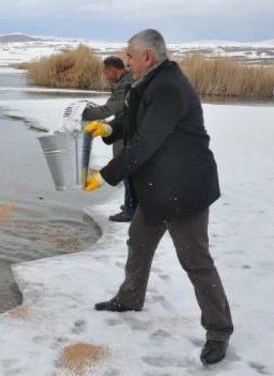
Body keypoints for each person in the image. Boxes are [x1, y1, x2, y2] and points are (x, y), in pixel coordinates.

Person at [83, 29, 233, 365]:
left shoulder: (168, 88)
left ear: (148, 57)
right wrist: (110, 128)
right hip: (158, 188)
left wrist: (106, 175)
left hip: (185, 188)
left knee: (194, 259)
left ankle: (219, 330)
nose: (127, 62)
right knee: (138, 240)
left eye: (131, 57)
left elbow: (146, 142)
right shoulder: (150, 83)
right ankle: (130, 298)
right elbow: (134, 121)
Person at [82, 56, 135, 222]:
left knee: (127, 168)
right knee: (128, 169)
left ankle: (130, 209)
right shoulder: (123, 82)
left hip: (128, 133)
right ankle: (131, 204)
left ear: (113, 70)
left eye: (106, 72)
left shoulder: (126, 85)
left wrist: (82, 113)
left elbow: (108, 109)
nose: (105, 75)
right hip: (123, 129)